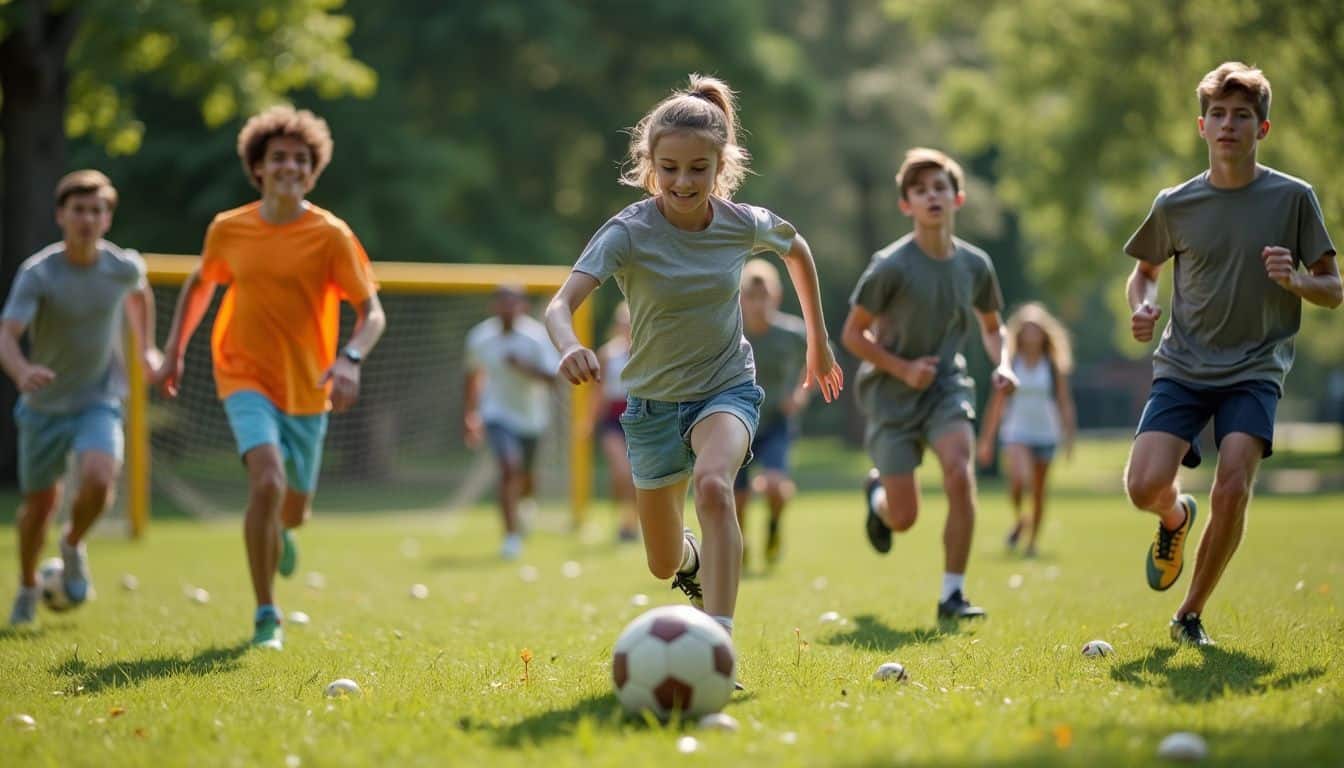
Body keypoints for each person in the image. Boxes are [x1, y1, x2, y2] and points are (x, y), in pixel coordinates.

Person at [544, 75, 844, 644]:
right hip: (652, 406)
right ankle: (691, 566)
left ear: (720, 163)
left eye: (698, 168)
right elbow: (560, 306)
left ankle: (719, 639)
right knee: (661, 561)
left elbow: (796, 248)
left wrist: (817, 339)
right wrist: (570, 345)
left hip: (725, 389)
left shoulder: (740, 223)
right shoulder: (628, 232)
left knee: (713, 486)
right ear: (649, 164)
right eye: (670, 168)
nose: (683, 181)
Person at [1122, 62, 1339, 646]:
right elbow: (1143, 274)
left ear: (1261, 129)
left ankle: (1188, 614)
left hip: (1254, 370)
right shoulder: (1176, 203)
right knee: (1143, 486)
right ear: (1201, 126)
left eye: (1241, 115)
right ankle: (1174, 517)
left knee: (1233, 482)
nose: (1228, 125)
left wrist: (1295, 281)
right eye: (1218, 114)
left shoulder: (1294, 198)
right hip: (1184, 366)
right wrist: (1142, 307)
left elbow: (1334, 288)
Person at [158, 106, 387, 650]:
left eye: (301, 159)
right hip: (241, 373)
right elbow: (200, 284)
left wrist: (350, 358)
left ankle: (282, 531)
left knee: (293, 509)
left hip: (308, 386)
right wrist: (174, 353)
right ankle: (267, 614)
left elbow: (372, 312)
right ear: (258, 167)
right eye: (278, 157)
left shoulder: (330, 234)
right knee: (265, 481)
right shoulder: (229, 229)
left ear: (313, 171)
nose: (290, 166)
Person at [842, 147, 1015, 621]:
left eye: (940, 187)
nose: (931, 196)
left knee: (960, 472)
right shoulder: (890, 266)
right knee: (904, 518)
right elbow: (852, 335)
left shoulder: (976, 265)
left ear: (957, 198)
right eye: (920, 190)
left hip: (945, 388)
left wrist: (1005, 364)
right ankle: (877, 495)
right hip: (891, 394)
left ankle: (952, 596)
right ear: (907, 205)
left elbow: (993, 326)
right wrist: (901, 369)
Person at [2, 170, 160, 626]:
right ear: (61, 216)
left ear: (107, 218)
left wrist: (146, 346)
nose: (87, 219)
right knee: (39, 507)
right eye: (79, 210)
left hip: (99, 397)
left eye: (97, 210)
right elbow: (7, 335)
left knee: (99, 474)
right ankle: (29, 585)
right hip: (44, 406)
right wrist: (22, 369)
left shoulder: (121, 267)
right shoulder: (39, 273)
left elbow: (140, 294)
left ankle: (72, 544)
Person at [463, 286, 559, 560]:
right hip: (495, 414)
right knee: (508, 468)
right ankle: (510, 537)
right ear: (493, 306)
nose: (507, 308)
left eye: (513, 303)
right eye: (502, 302)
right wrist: (469, 414)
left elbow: (553, 379)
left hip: (531, 418)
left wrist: (523, 367)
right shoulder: (480, 337)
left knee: (526, 476)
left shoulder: (535, 337)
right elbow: (472, 375)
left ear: (523, 306)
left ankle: (526, 504)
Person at [976, 302, 1077, 557]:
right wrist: (986, 440)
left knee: (1040, 491)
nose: (1032, 335)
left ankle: (1032, 542)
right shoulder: (1010, 364)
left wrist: (1069, 437)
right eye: (1027, 329)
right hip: (1016, 431)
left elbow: (1064, 402)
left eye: (1036, 329)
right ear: (1019, 334)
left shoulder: (1052, 366)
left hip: (1046, 432)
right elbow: (996, 404)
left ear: (1044, 334)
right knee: (1020, 480)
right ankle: (1020, 518)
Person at [734, 259, 809, 569]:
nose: (757, 303)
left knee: (777, 486)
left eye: (763, 296)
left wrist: (800, 393)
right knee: (736, 499)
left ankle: (774, 526)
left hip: (776, 421)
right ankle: (741, 543)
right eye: (750, 297)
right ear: (740, 299)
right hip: (737, 423)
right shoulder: (729, 331)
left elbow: (820, 357)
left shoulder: (791, 332)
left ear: (775, 297)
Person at [590, 301, 639, 542]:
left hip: (640, 418)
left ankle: (633, 523)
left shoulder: (647, 352)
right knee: (621, 472)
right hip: (613, 419)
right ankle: (623, 519)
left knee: (640, 475)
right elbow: (598, 392)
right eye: (623, 323)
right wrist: (590, 421)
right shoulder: (607, 354)